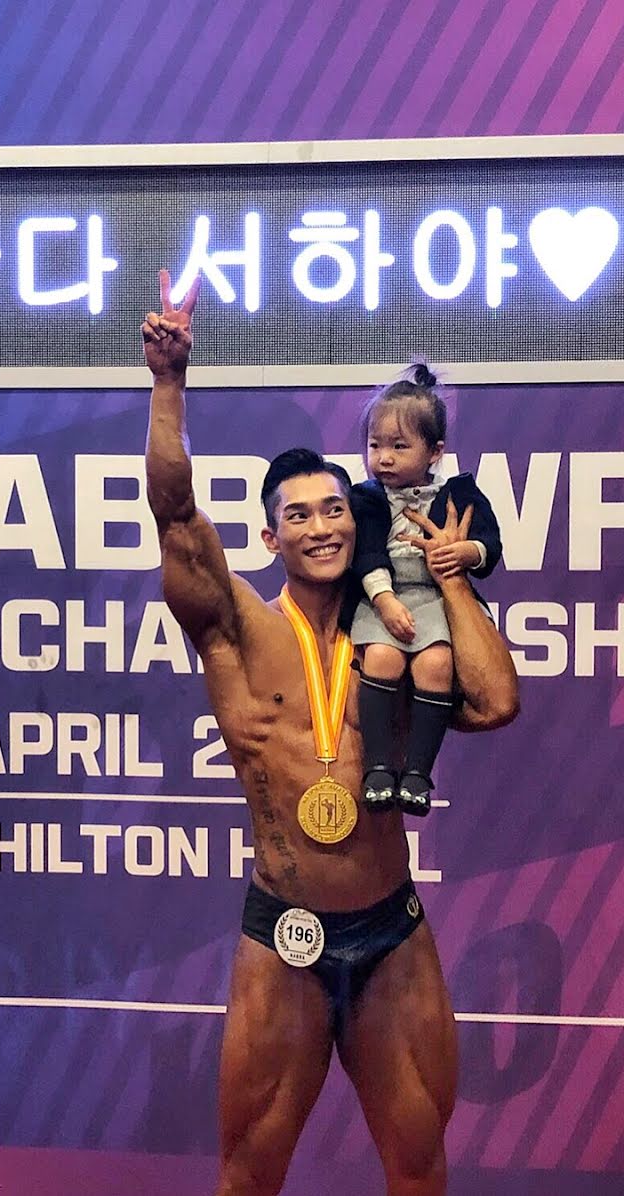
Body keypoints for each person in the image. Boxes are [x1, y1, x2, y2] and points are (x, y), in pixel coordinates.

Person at [141, 270, 519, 1196]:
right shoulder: (236, 629)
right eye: (299, 515)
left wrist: (449, 575)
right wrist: (169, 385)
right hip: (284, 939)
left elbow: (494, 702)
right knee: (248, 1174)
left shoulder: (399, 630)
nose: (321, 527)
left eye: (336, 508)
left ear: (359, 521)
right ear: (271, 538)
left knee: (420, 1171)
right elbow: (176, 514)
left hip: (392, 935)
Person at [349, 366, 502, 816]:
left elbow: (490, 544)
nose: (384, 458)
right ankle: (379, 769)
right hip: (383, 596)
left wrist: (466, 552)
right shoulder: (366, 498)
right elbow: (366, 554)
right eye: (375, 446)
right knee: (382, 658)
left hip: (436, 598)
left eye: (399, 446)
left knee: (436, 664)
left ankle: (417, 775)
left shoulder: (459, 492)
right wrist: (384, 600)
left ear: (435, 451)